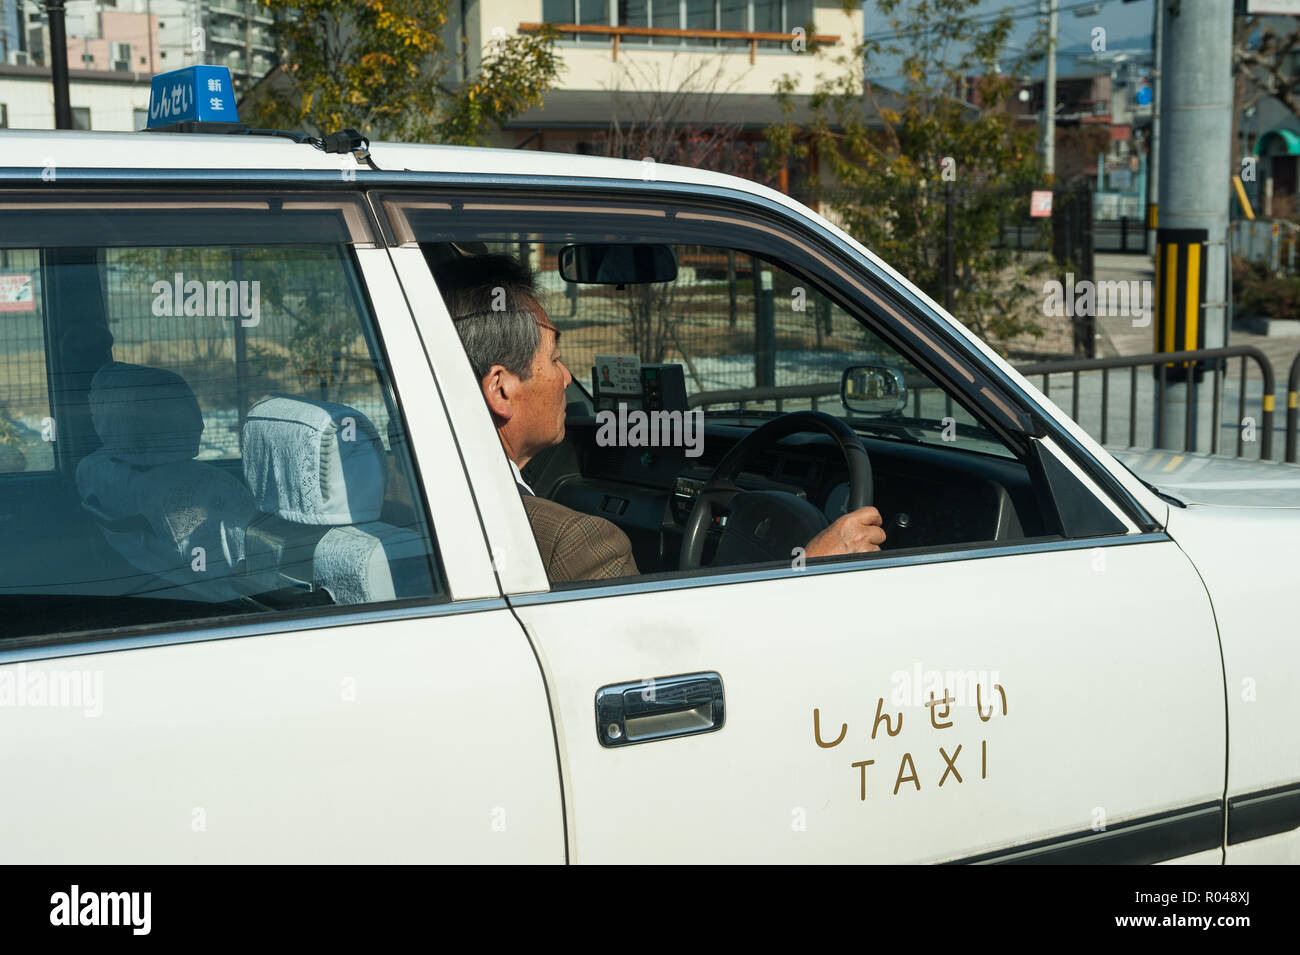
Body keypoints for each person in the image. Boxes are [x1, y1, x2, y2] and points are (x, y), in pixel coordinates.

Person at [435, 252, 886, 584]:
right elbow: (674, 669)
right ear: (500, 388)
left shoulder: (414, 492)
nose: (568, 377)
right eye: (555, 361)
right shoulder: (576, 543)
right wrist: (807, 565)